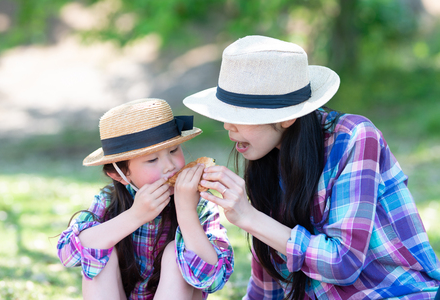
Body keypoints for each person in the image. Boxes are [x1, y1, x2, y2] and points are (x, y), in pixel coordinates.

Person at [182, 35, 440, 299]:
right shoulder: (266, 161)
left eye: (241, 115)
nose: (228, 126)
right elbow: (266, 288)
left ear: (287, 116)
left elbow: (344, 263)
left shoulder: (355, 138)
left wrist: (249, 217)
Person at [57, 98, 234, 300]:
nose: (170, 166)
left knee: (174, 253)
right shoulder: (108, 201)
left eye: (174, 150)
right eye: (152, 159)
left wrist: (186, 211)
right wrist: (135, 216)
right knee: (101, 245)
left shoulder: (199, 202)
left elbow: (214, 279)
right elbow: (67, 255)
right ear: (120, 175)